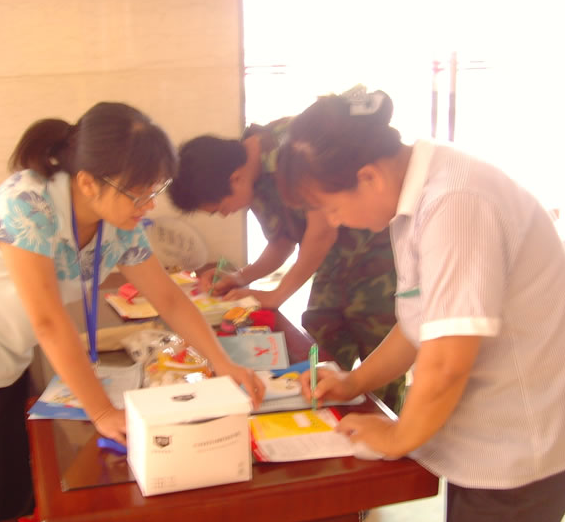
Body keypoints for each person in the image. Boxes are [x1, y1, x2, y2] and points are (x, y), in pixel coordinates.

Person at [0, 102, 264, 522]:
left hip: (7, 365)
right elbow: (48, 321)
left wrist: (223, 363)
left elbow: (169, 299)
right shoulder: (27, 203)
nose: (149, 206)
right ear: (89, 182)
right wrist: (100, 411)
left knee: (14, 502)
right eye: (139, 193)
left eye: (155, 190)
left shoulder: (119, 222)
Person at [278, 87, 565, 522]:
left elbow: (447, 359)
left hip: (524, 440)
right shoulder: (419, 195)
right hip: (493, 427)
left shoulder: (456, 202)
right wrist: (355, 382)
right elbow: (421, 322)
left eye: (330, 206)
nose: (333, 221)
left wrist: (398, 436)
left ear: (368, 177)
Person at [169, 114, 404, 412]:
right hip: (333, 265)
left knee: (381, 358)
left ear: (235, 179)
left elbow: (322, 233)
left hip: (377, 258)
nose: (225, 215)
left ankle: (390, 427)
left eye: (221, 208)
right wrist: (241, 277)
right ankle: (330, 420)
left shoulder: (293, 149)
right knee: (319, 348)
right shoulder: (251, 180)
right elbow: (282, 241)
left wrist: (277, 295)